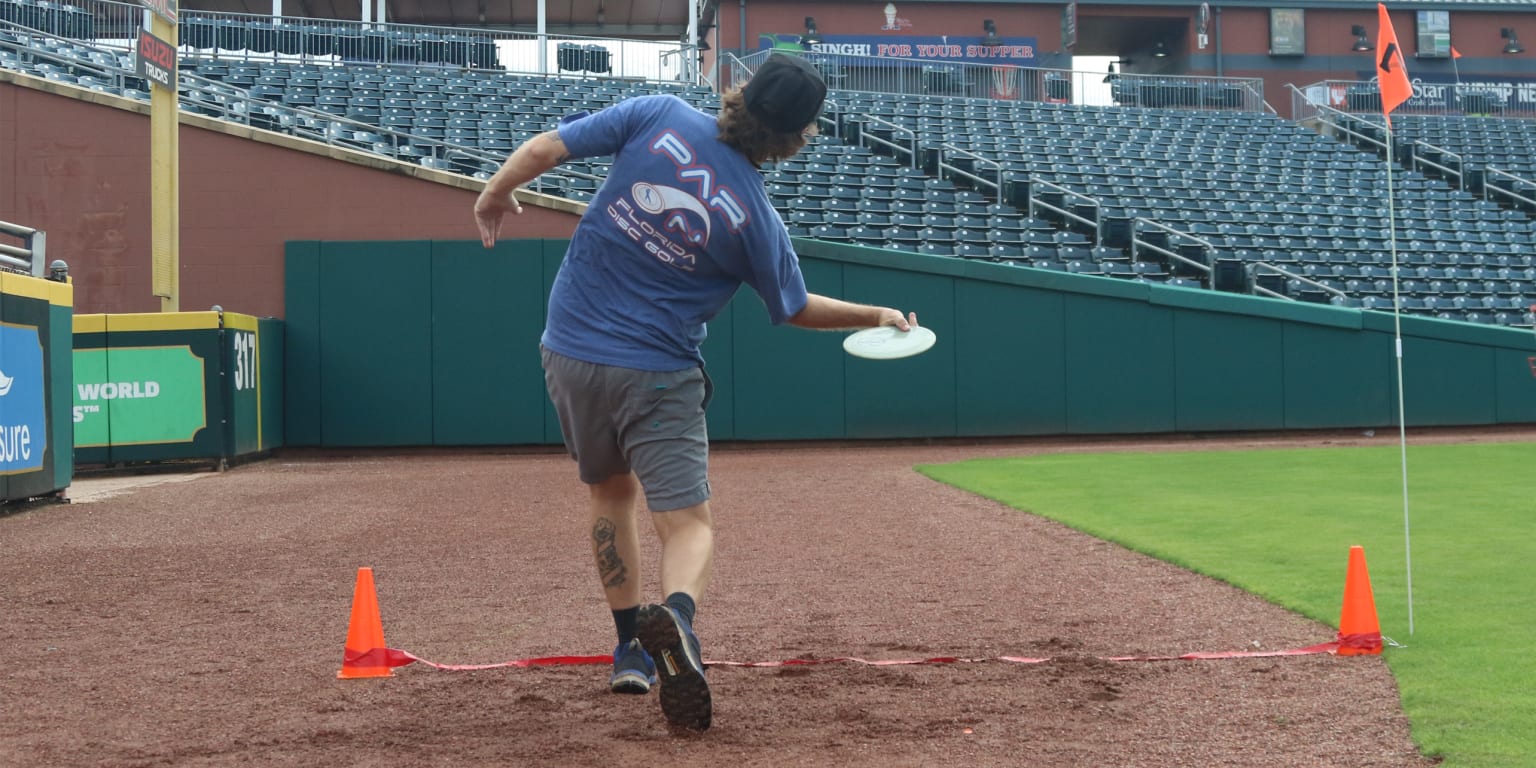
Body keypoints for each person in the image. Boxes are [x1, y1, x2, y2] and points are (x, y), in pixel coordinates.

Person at [473, 53, 919, 732]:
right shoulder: (756, 219)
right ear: (798, 136)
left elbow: (542, 148)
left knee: (609, 494)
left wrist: (495, 193)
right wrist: (877, 313)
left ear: (739, 94)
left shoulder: (658, 114)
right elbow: (794, 309)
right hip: (656, 370)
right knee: (687, 523)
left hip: (570, 349)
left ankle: (630, 650)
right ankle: (676, 619)